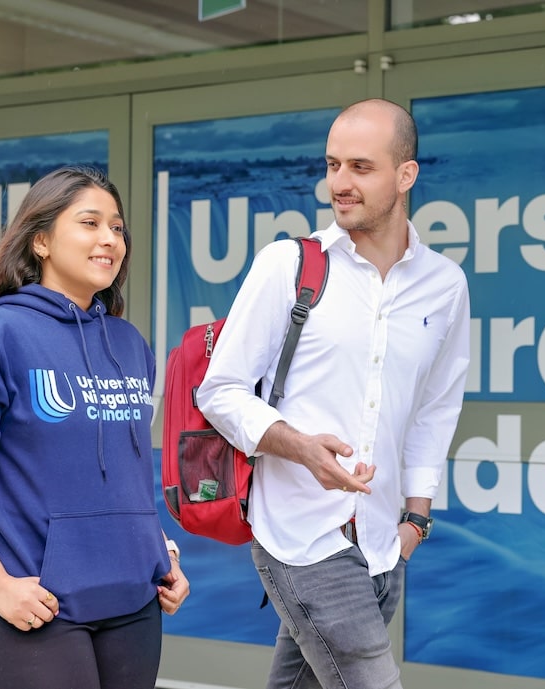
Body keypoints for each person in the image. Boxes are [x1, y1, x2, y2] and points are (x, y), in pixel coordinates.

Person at [196, 98, 471, 688]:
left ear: (406, 175)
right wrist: (299, 447)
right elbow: (219, 391)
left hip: (382, 541)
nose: (339, 184)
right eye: (332, 165)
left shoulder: (445, 286)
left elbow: (435, 408)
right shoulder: (288, 266)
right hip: (301, 533)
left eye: (360, 168)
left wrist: (415, 523)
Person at [0, 165, 189, 689]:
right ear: (40, 241)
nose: (109, 239)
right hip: (34, 605)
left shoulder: (128, 344)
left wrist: (158, 548)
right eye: (90, 223)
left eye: (118, 228)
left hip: (133, 603)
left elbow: (122, 471)